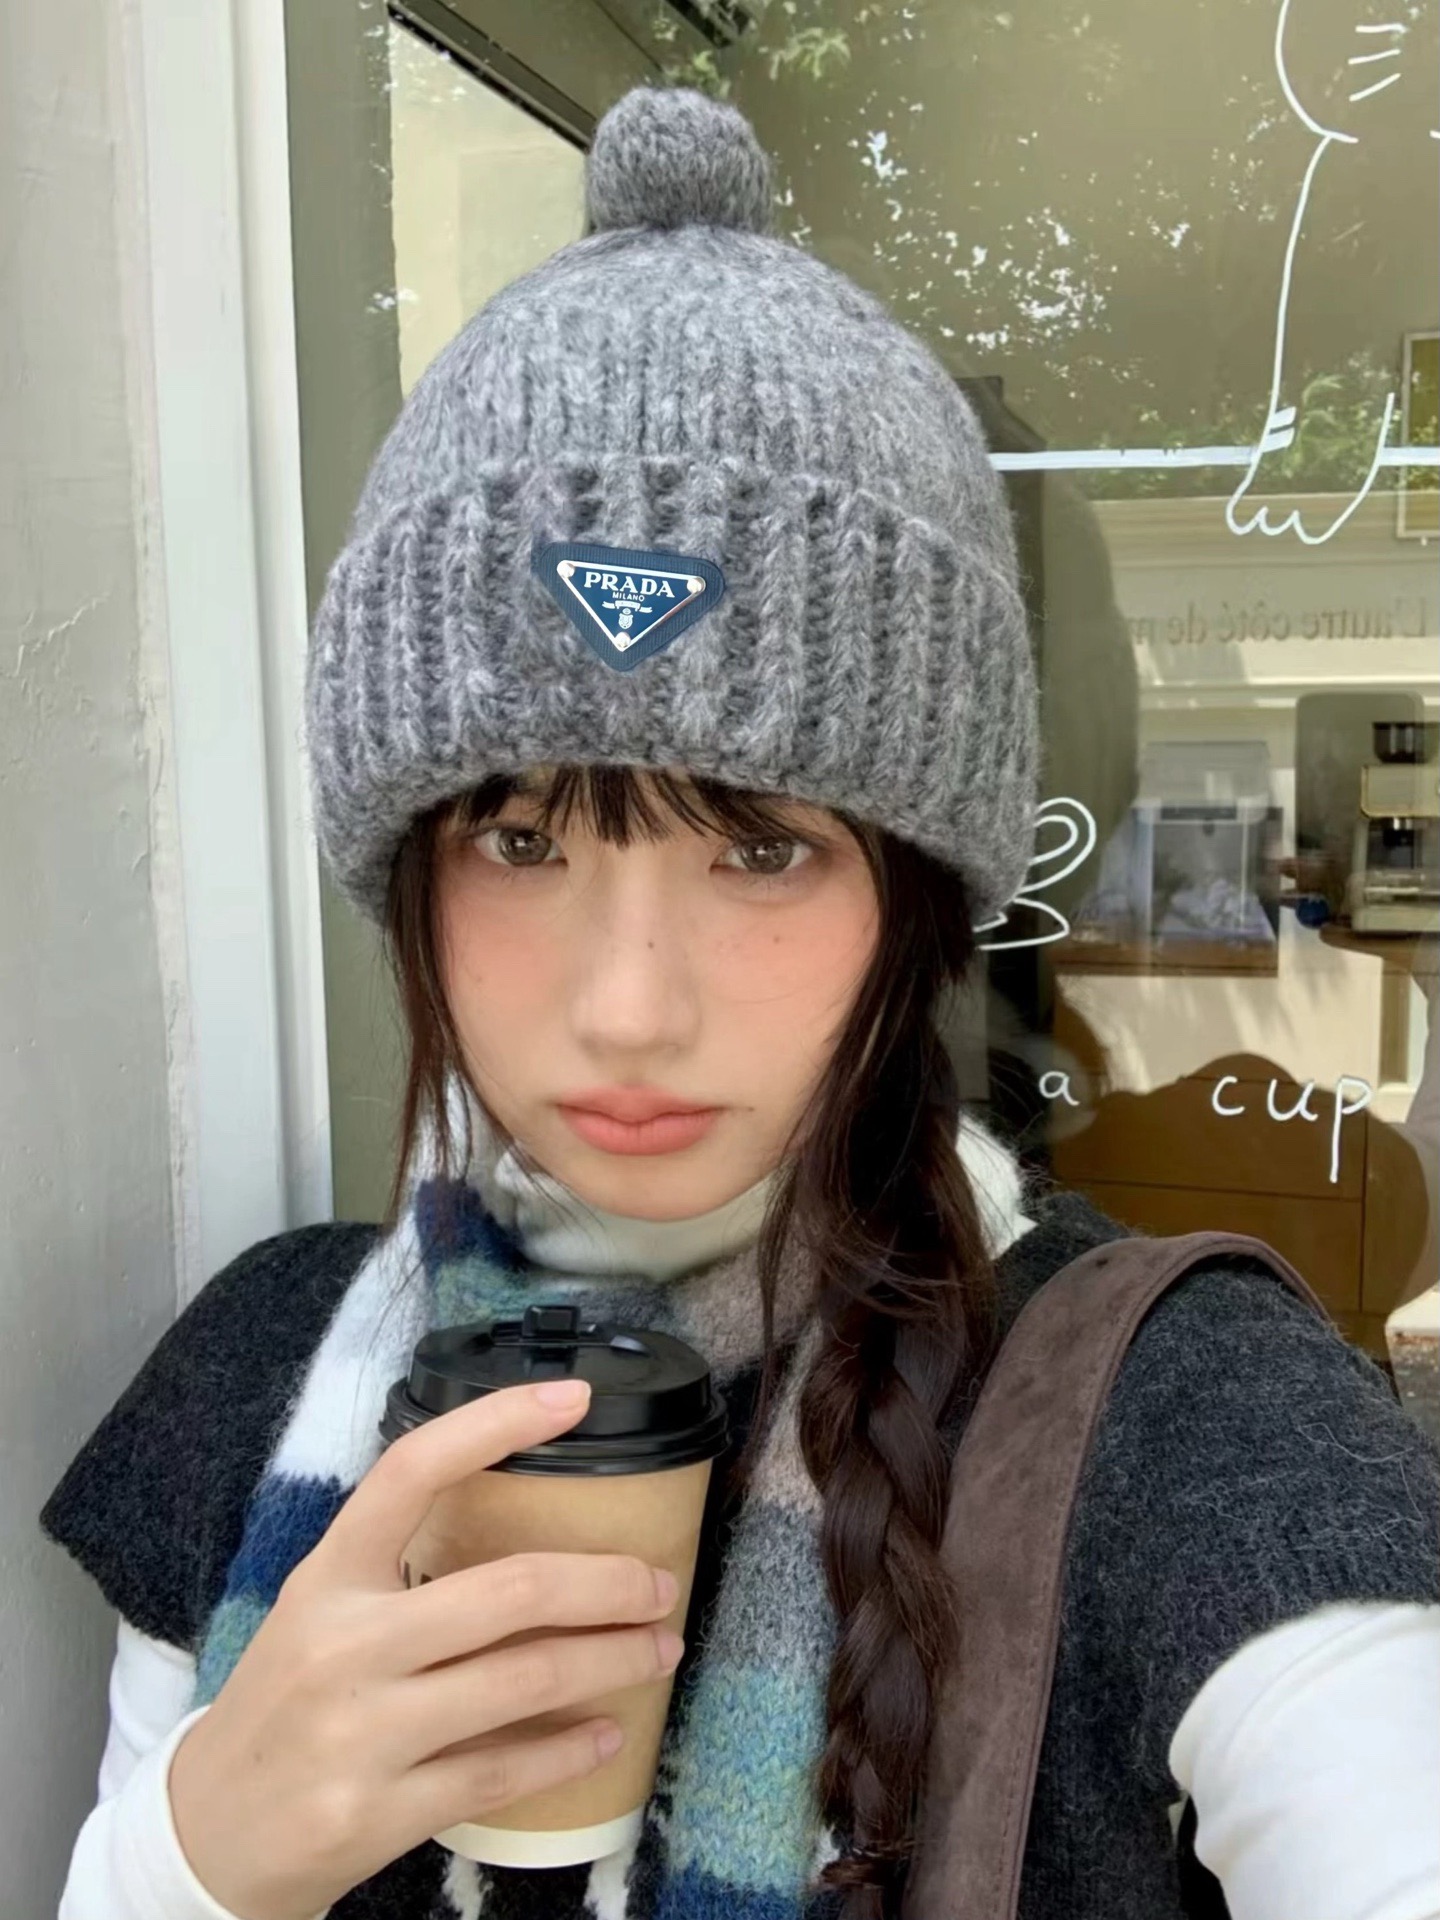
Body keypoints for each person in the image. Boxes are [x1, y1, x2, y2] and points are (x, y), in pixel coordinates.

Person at [41, 83, 1440, 1920]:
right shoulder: (262, 1375)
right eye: (522, 841)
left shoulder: (1160, 1415)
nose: (628, 1009)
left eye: (763, 849)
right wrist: (195, 1858)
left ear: (913, 897)